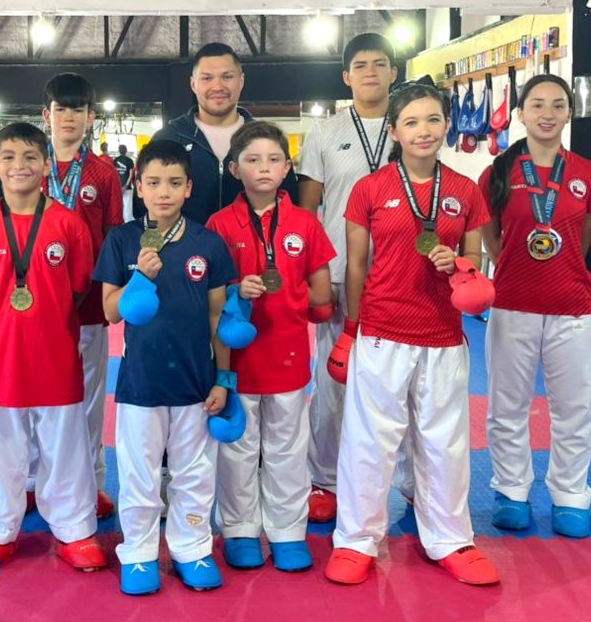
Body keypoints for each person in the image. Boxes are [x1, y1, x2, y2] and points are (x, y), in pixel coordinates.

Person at [325, 79, 500, 587]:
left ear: (447, 125)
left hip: (443, 333)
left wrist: (459, 263)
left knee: (445, 442)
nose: (424, 130)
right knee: (369, 440)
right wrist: (351, 328)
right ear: (396, 131)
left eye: (433, 120)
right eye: (412, 122)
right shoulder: (370, 189)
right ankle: (356, 539)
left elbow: (473, 260)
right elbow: (356, 265)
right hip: (382, 330)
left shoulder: (464, 190)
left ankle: (450, 538)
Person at [0, 122, 106, 573]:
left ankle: (74, 529)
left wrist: (44, 314)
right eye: (8, 157)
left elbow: (77, 289)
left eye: (29, 157)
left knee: (65, 443)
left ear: (45, 165)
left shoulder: (69, 224)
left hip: (55, 351)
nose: (18, 165)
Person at [94, 139, 237, 596]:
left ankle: (192, 547)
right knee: (140, 472)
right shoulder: (122, 239)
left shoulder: (207, 243)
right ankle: (138, 550)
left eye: (174, 183)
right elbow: (110, 312)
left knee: (195, 472)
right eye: (154, 183)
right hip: (142, 381)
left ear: (189, 188)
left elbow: (218, 317)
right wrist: (141, 276)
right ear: (138, 185)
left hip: (195, 380)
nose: (163, 192)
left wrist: (224, 379)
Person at [478, 74, 591, 538]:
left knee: (574, 408)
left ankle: (570, 495)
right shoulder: (497, 174)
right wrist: (517, 265)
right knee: (507, 406)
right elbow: (492, 241)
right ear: (520, 113)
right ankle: (511, 491)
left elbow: (585, 238)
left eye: (557, 104)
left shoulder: (590, 175)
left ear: (570, 112)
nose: (547, 113)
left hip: (572, 306)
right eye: (537, 104)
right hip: (513, 303)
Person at [207, 121, 335, 572]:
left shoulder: (306, 223)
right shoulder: (219, 225)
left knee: (287, 448)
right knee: (238, 449)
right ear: (234, 168)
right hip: (238, 359)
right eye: (253, 159)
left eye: (274, 159)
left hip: (289, 355)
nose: (264, 167)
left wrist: (294, 298)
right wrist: (236, 290)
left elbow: (323, 294)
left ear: (287, 168)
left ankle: (287, 531)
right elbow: (210, 296)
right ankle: (240, 530)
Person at [297, 33, 414, 521]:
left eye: (379, 64)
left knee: (403, 381)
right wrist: (312, 273)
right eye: (360, 65)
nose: (370, 72)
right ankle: (323, 479)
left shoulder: (410, 124)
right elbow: (307, 211)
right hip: (341, 271)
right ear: (346, 77)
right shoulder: (325, 133)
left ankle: (411, 481)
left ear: (393, 73)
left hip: (403, 273)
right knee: (334, 379)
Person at [32, 73, 124, 519]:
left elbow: (113, 238)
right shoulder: (30, 165)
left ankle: (92, 481)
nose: (68, 117)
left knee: (88, 396)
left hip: (87, 302)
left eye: (77, 110)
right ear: (46, 115)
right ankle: (35, 480)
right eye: (60, 109)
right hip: (35, 300)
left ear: (91, 117)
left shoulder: (103, 174)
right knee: (36, 394)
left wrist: (106, 295)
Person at [140, 42, 299, 222]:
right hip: (185, 240)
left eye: (227, 77)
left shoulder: (267, 141)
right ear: (193, 84)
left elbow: (290, 203)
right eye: (207, 78)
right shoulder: (168, 138)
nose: (217, 86)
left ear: (241, 81)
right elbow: (144, 207)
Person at [115, 144, 136, 222]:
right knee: (127, 207)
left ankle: (120, 221)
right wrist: (126, 185)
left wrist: (118, 186)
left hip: (118, 187)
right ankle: (127, 223)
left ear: (119, 150)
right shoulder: (129, 160)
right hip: (127, 188)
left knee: (119, 206)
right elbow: (131, 174)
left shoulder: (115, 160)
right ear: (126, 150)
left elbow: (114, 174)